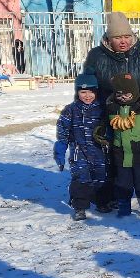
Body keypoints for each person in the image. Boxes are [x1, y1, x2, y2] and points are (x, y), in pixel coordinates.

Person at [83, 12, 140, 208]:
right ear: (109, 39)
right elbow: (88, 83)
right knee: (116, 151)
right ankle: (116, 192)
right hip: (111, 109)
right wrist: (94, 106)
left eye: (127, 37)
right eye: (118, 38)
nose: (123, 41)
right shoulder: (97, 56)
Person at [100, 73, 140, 217]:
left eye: (127, 95)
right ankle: (123, 202)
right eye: (119, 94)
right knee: (122, 182)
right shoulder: (112, 107)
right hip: (120, 153)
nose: (122, 98)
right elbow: (106, 126)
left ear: (134, 91)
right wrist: (100, 132)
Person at [53, 72, 106, 221]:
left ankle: (102, 201)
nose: (87, 95)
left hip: (99, 151)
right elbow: (62, 133)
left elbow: (111, 127)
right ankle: (80, 207)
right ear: (77, 92)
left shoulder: (102, 109)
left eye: (91, 92)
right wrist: (60, 153)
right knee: (81, 180)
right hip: (79, 152)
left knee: (101, 178)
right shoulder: (71, 110)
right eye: (83, 92)